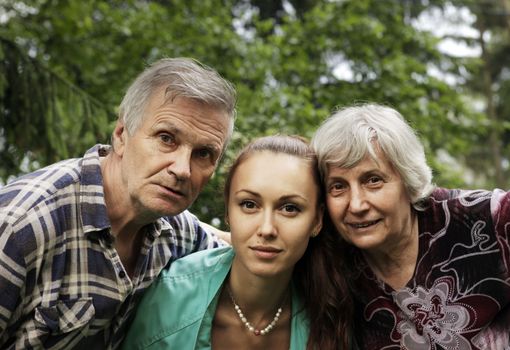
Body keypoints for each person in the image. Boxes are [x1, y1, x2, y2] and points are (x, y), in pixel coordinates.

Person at [0, 57, 236, 349]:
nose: (182, 169)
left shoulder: (175, 231)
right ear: (122, 135)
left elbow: (239, 247)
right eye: (166, 138)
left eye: (203, 154)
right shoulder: (21, 225)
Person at [308, 103, 510, 349]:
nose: (357, 205)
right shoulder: (331, 264)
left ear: (407, 179)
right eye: (338, 186)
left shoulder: (488, 217)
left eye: (373, 180)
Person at [121, 135, 325, 350]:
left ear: (317, 220)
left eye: (290, 208)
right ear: (228, 211)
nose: (266, 229)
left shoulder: (334, 311)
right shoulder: (168, 301)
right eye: (249, 204)